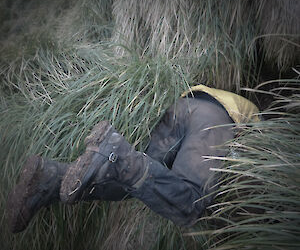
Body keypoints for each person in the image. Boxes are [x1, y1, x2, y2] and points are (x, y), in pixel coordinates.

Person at [6, 84, 260, 233]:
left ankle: (50, 177)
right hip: (218, 116)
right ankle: (116, 152)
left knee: (143, 181)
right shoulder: (268, 140)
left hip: (183, 106)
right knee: (192, 202)